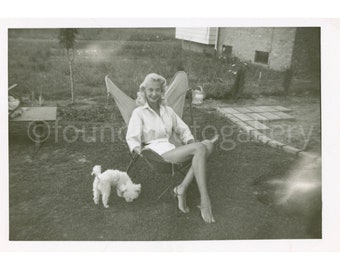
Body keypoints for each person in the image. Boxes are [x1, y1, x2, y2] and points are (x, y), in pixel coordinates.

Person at [126, 73, 218, 223]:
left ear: (162, 92)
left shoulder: (168, 111)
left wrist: (190, 141)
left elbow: (183, 129)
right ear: (144, 91)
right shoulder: (139, 113)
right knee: (200, 148)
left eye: (157, 90)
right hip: (156, 155)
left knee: (207, 144)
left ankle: (181, 188)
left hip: (170, 150)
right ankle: (205, 200)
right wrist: (141, 153)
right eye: (150, 90)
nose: (154, 94)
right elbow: (132, 137)